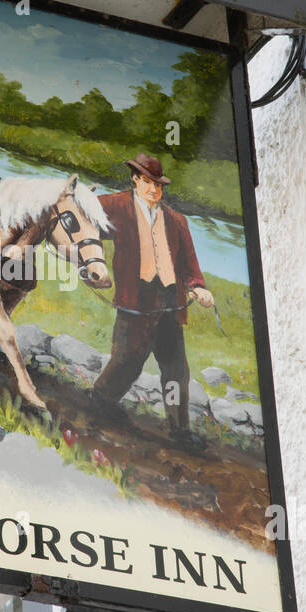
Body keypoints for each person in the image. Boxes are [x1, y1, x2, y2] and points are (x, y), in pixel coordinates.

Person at [93, 153, 213, 449]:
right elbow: (82, 220)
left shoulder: (176, 221)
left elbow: (189, 266)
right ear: (135, 179)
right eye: (147, 182)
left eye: (157, 185)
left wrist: (198, 287)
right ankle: (100, 399)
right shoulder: (115, 206)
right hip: (135, 301)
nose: (152, 190)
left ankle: (179, 430)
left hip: (170, 305)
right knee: (127, 361)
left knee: (175, 370)